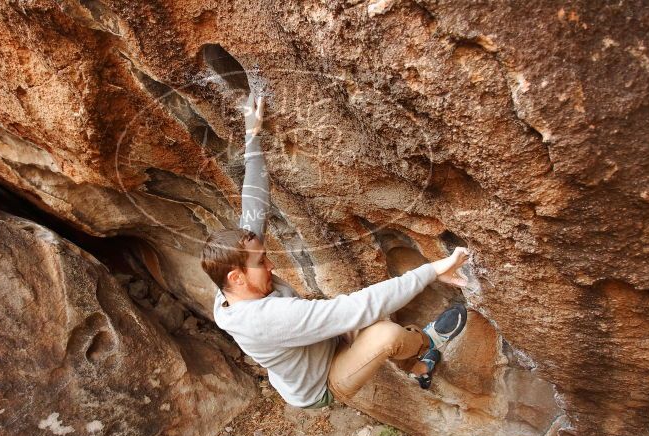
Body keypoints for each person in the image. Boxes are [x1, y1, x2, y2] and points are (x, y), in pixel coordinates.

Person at [201, 92, 470, 408]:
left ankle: (415, 368)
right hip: (322, 383)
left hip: (321, 344)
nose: (271, 266)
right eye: (261, 263)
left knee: (373, 320)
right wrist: (432, 271)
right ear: (236, 278)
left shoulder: (231, 284)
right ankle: (425, 344)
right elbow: (357, 308)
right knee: (384, 333)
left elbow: (254, 205)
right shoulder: (263, 318)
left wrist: (252, 136)